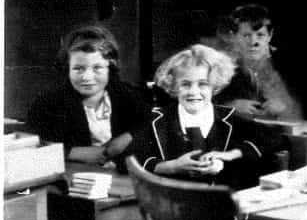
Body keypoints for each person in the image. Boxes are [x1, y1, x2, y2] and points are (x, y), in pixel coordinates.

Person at [128, 44, 270, 190]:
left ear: (215, 86)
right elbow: (131, 159)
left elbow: (272, 139)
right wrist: (172, 166)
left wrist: (229, 156)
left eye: (203, 84)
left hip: (221, 207)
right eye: (185, 84)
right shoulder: (156, 119)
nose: (193, 92)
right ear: (173, 86)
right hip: (170, 205)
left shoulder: (231, 118)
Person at [26, 25, 149, 168]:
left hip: (121, 177)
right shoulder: (48, 102)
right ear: (68, 67)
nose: (87, 77)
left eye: (97, 68)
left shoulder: (126, 94)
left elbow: (148, 121)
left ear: (110, 66)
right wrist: (72, 153)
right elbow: (35, 145)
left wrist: (126, 138)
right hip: (72, 176)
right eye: (78, 68)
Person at [214, 4, 304, 121]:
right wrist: (230, 107)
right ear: (234, 36)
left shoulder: (289, 65)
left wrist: (285, 108)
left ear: (270, 35)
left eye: (260, 35)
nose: (253, 42)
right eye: (246, 35)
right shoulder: (223, 66)